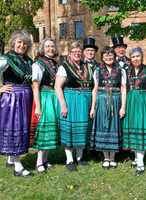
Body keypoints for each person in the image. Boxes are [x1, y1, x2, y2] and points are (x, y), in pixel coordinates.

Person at [0, 30, 34, 177]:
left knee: (21, 128)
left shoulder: (28, 61)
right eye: (19, 43)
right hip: (13, 98)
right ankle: (18, 167)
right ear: (13, 44)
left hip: (25, 98)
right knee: (15, 129)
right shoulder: (6, 59)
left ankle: (11, 159)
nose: (22, 45)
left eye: (24, 43)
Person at [55, 41, 93, 172]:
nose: (77, 53)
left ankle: (79, 158)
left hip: (84, 102)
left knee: (82, 128)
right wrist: (63, 104)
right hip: (70, 100)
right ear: (69, 54)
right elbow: (58, 87)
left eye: (79, 51)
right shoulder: (64, 67)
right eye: (74, 51)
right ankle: (69, 160)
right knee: (69, 129)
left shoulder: (87, 67)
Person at [90, 46, 127, 169]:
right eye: (106, 55)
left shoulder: (121, 70)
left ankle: (113, 157)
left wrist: (123, 106)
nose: (108, 57)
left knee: (114, 126)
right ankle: (106, 157)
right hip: (101, 100)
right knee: (104, 126)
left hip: (116, 100)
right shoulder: (98, 70)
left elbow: (123, 88)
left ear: (114, 56)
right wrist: (92, 108)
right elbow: (94, 89)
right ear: (102, 57)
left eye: (111, 54)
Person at [122, 47, 146, 175]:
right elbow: (124, 89)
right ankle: (136, 158)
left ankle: (141, 163)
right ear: (130, 59)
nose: (135, 59)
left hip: (143, 101)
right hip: (131, 101)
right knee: (133, 129)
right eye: (133, 57)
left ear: (142, 57)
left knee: (140, 128)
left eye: (138, 56)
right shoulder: (126, 71)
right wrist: (123, 106)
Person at [31, 38, 59, 174]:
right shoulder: (39, 63)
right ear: (42, 48)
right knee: (44, 129)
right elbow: (35, 85)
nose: (51, 49)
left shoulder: (54, 63)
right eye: (47, 46)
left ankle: (45, 160)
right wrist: (38, 106)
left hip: (54, 97)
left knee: (51, 128)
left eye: (53, 46)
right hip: (45, 96)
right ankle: (38, 162)